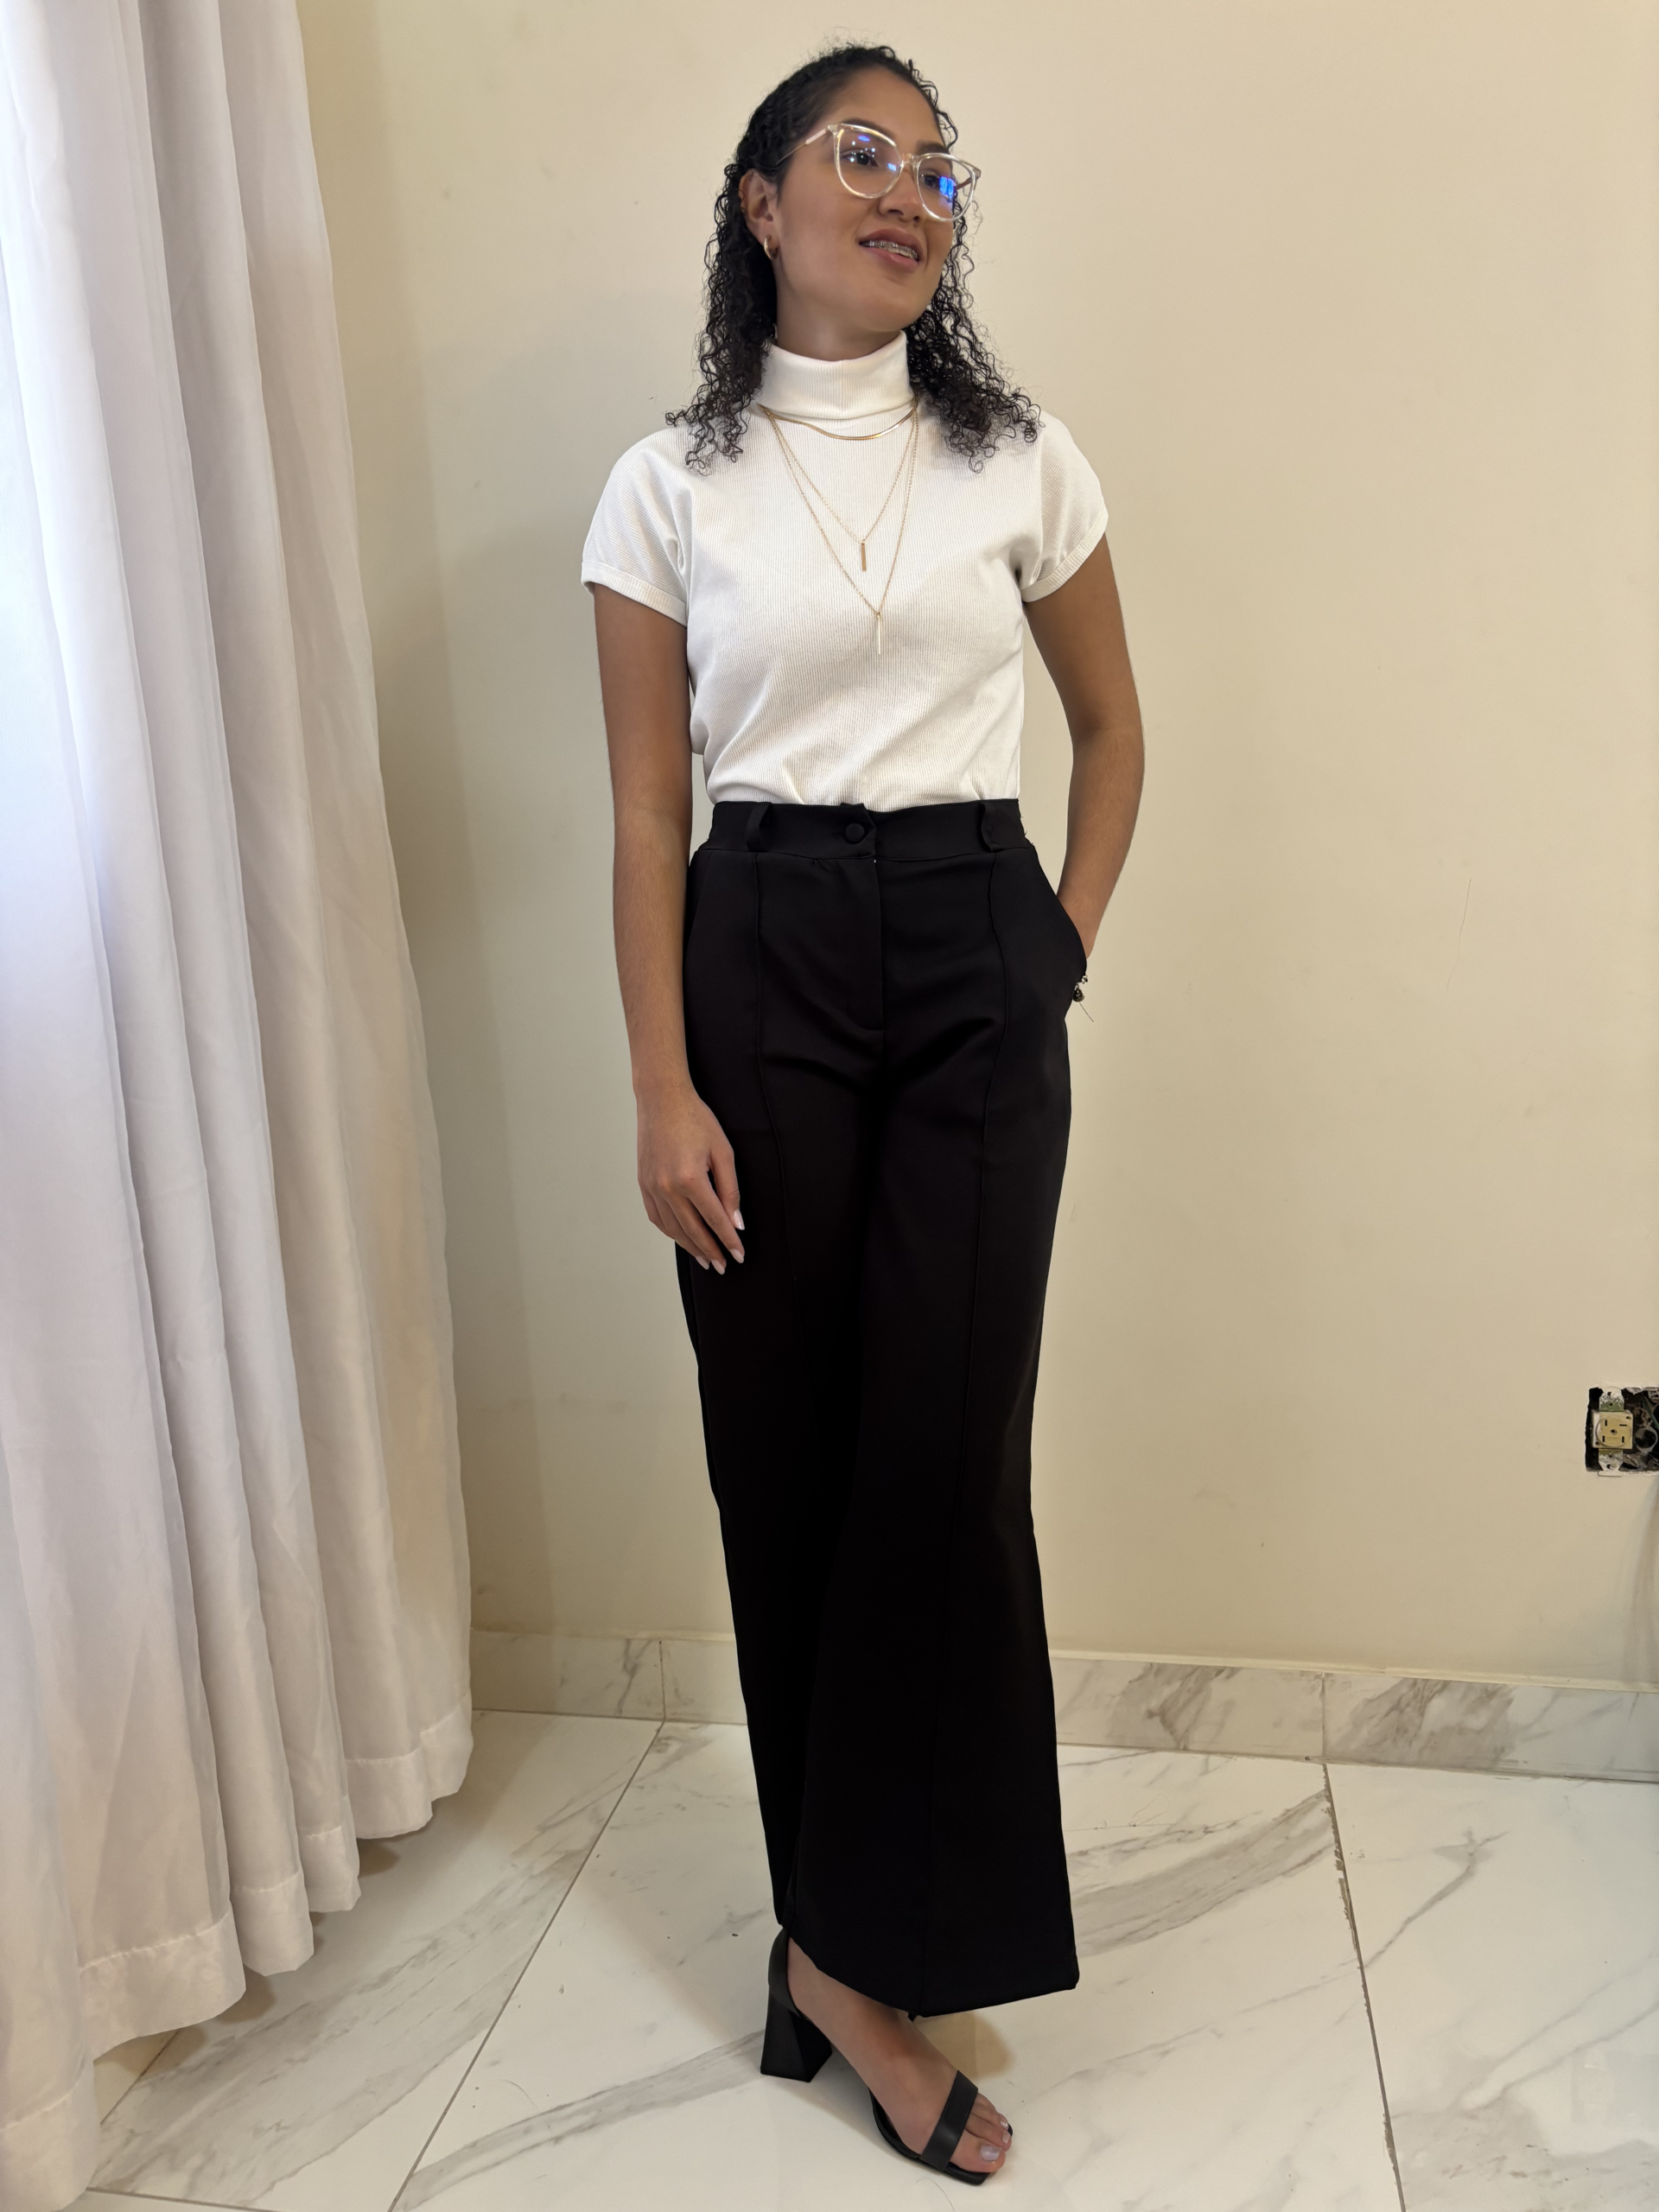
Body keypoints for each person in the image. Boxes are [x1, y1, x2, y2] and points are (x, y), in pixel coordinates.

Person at [582, 40, 1142, 2184]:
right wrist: (662, 1081)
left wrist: (1051, 946)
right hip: (763, 955)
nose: (911, 192)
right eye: (863, 153)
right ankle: (837, 1956)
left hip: (974, 942)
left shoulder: (1020, 457)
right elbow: (646, 814)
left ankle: (881, 1938)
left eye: (939, 169)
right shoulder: (669, 486)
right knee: (786, 1456)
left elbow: (1114, 730)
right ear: (762, 204)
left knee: (947, 1458)